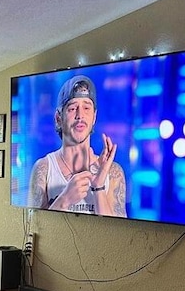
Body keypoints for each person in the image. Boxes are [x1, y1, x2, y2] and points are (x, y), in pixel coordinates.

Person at [27, 75, 127, 217]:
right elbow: (32, 227)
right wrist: (64, 200)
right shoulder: (44, 168)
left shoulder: (113, 172)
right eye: (73, 108)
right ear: (58, 118)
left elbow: (120, 235)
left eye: (86, 108)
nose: (80, 115)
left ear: (94, 117)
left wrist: (98, 187)